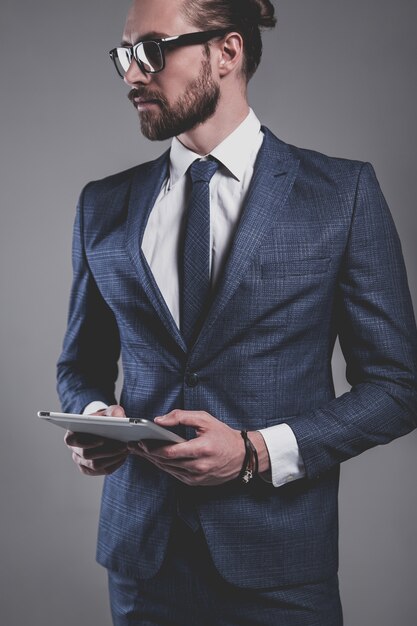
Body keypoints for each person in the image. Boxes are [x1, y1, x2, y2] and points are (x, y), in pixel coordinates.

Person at [58, 0, 417, 624]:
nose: (131, 74)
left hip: (279, 565)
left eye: (151, 51)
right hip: (143, 563)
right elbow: (82, 364)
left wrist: (254, 451)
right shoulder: (103, 205)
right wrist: (94, 420)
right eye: (123, 55)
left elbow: (398, 387)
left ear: (226, 52)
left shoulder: (341, 194)